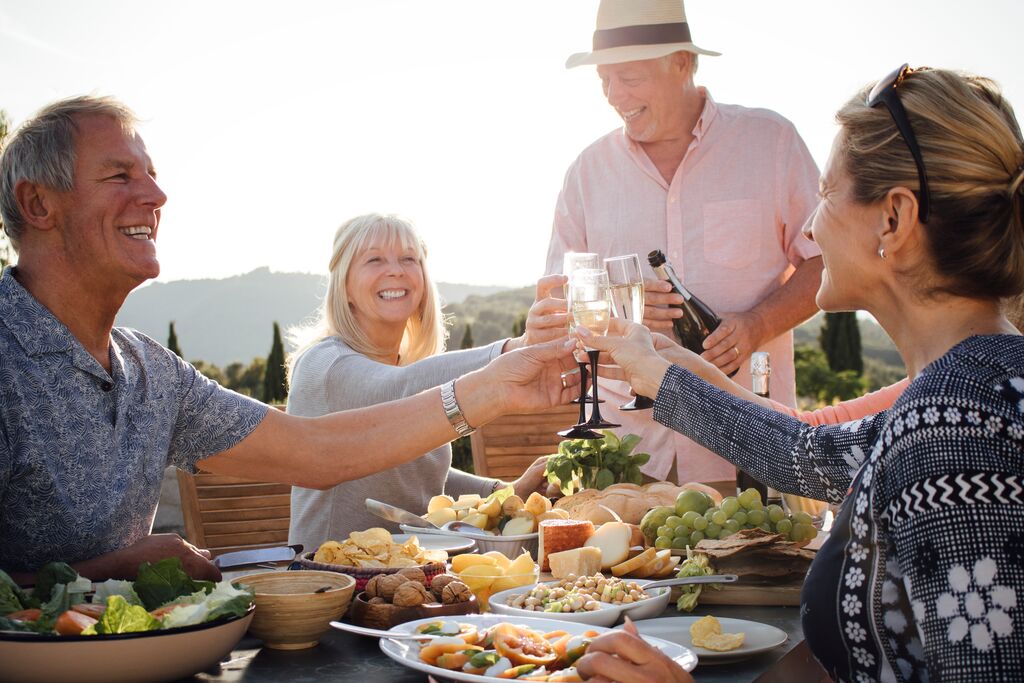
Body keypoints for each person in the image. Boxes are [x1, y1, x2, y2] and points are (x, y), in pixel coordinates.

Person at [0, 96, 579, 584]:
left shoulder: (152, 371)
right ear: (38, 204)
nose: (157, 195)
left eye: (151, 174)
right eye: (121, 175)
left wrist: (498, 418)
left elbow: (318, 454)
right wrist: (108, 570)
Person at [578, 66, 1024, 681]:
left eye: (827, 193)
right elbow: (810, 454)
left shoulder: (956, 431)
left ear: (893, 218)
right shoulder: (972, 391)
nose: (810, 226)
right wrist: (671, 373)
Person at [545, 0, 823, 484]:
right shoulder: (586, 172)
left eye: (628, 78)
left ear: (682, 62)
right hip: (625, 452)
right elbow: (554, 296)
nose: (613, 94)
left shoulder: (771, 142)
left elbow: (827, 264)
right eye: (604, 79)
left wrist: (757, 324)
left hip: (746, 445)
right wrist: (620, 311)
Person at [286, 213, 567, 547]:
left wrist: (503, 491)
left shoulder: (410, 369)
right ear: (345, 285)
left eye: (409, 258)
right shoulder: (324, 365)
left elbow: (419, 475)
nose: (396, 270)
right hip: (331, 582)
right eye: (374, 259)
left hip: (410, 574)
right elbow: (396, 389)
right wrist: (515, 349)